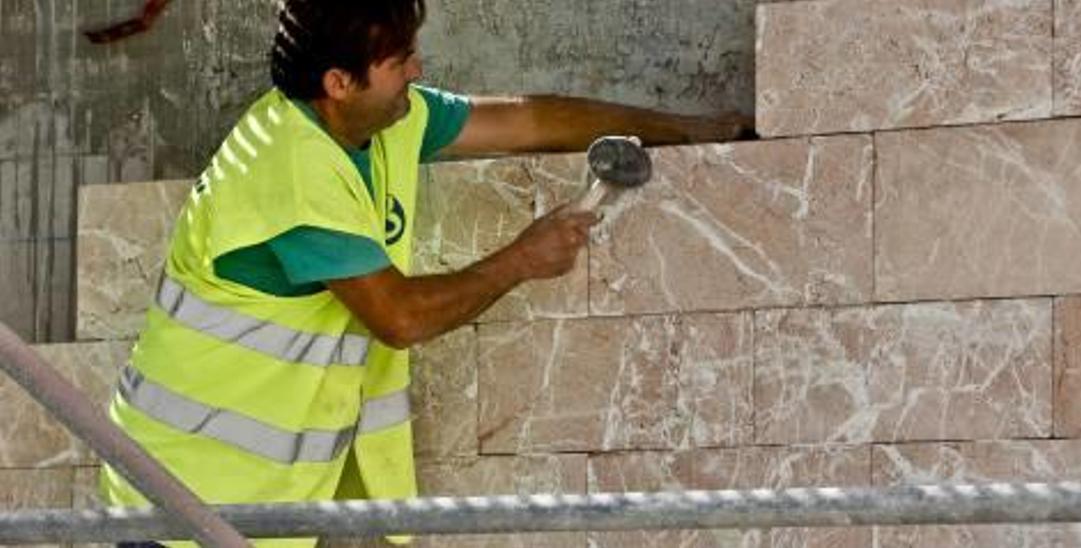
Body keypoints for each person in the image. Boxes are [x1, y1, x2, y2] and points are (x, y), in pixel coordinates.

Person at [99, 0, 749, 546]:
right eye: (399, 60)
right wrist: (522, 258)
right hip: (174, 501)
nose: (418, 68)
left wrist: (685, 129)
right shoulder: (286, 169)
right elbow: (399, 318)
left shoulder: (382, 122)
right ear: (339, 82)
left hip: (254, 505)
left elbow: (526, 119)